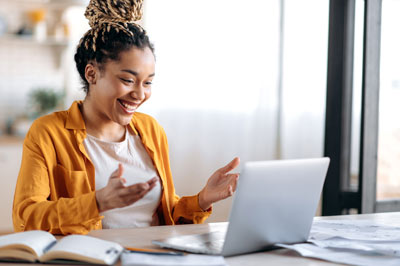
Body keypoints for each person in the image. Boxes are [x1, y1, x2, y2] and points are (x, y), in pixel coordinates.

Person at [12, 0, 239, 235]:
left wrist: (202, 199)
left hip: (153, 256)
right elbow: (27, 217)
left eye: (148, 82)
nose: (140, 94)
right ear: (92, 73)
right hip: (91, 258)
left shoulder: (150, 130)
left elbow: (165, 214)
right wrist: (97, 202)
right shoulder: (49, 133)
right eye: (128, 80)